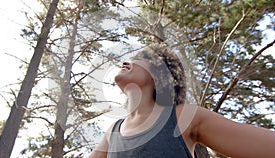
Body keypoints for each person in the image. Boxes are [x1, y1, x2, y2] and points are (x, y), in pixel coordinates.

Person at [88, 43, 275, 158]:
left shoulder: (183, 117)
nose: (125, 62)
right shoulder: (113, 131)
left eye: (138, 59)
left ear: (158, 73)